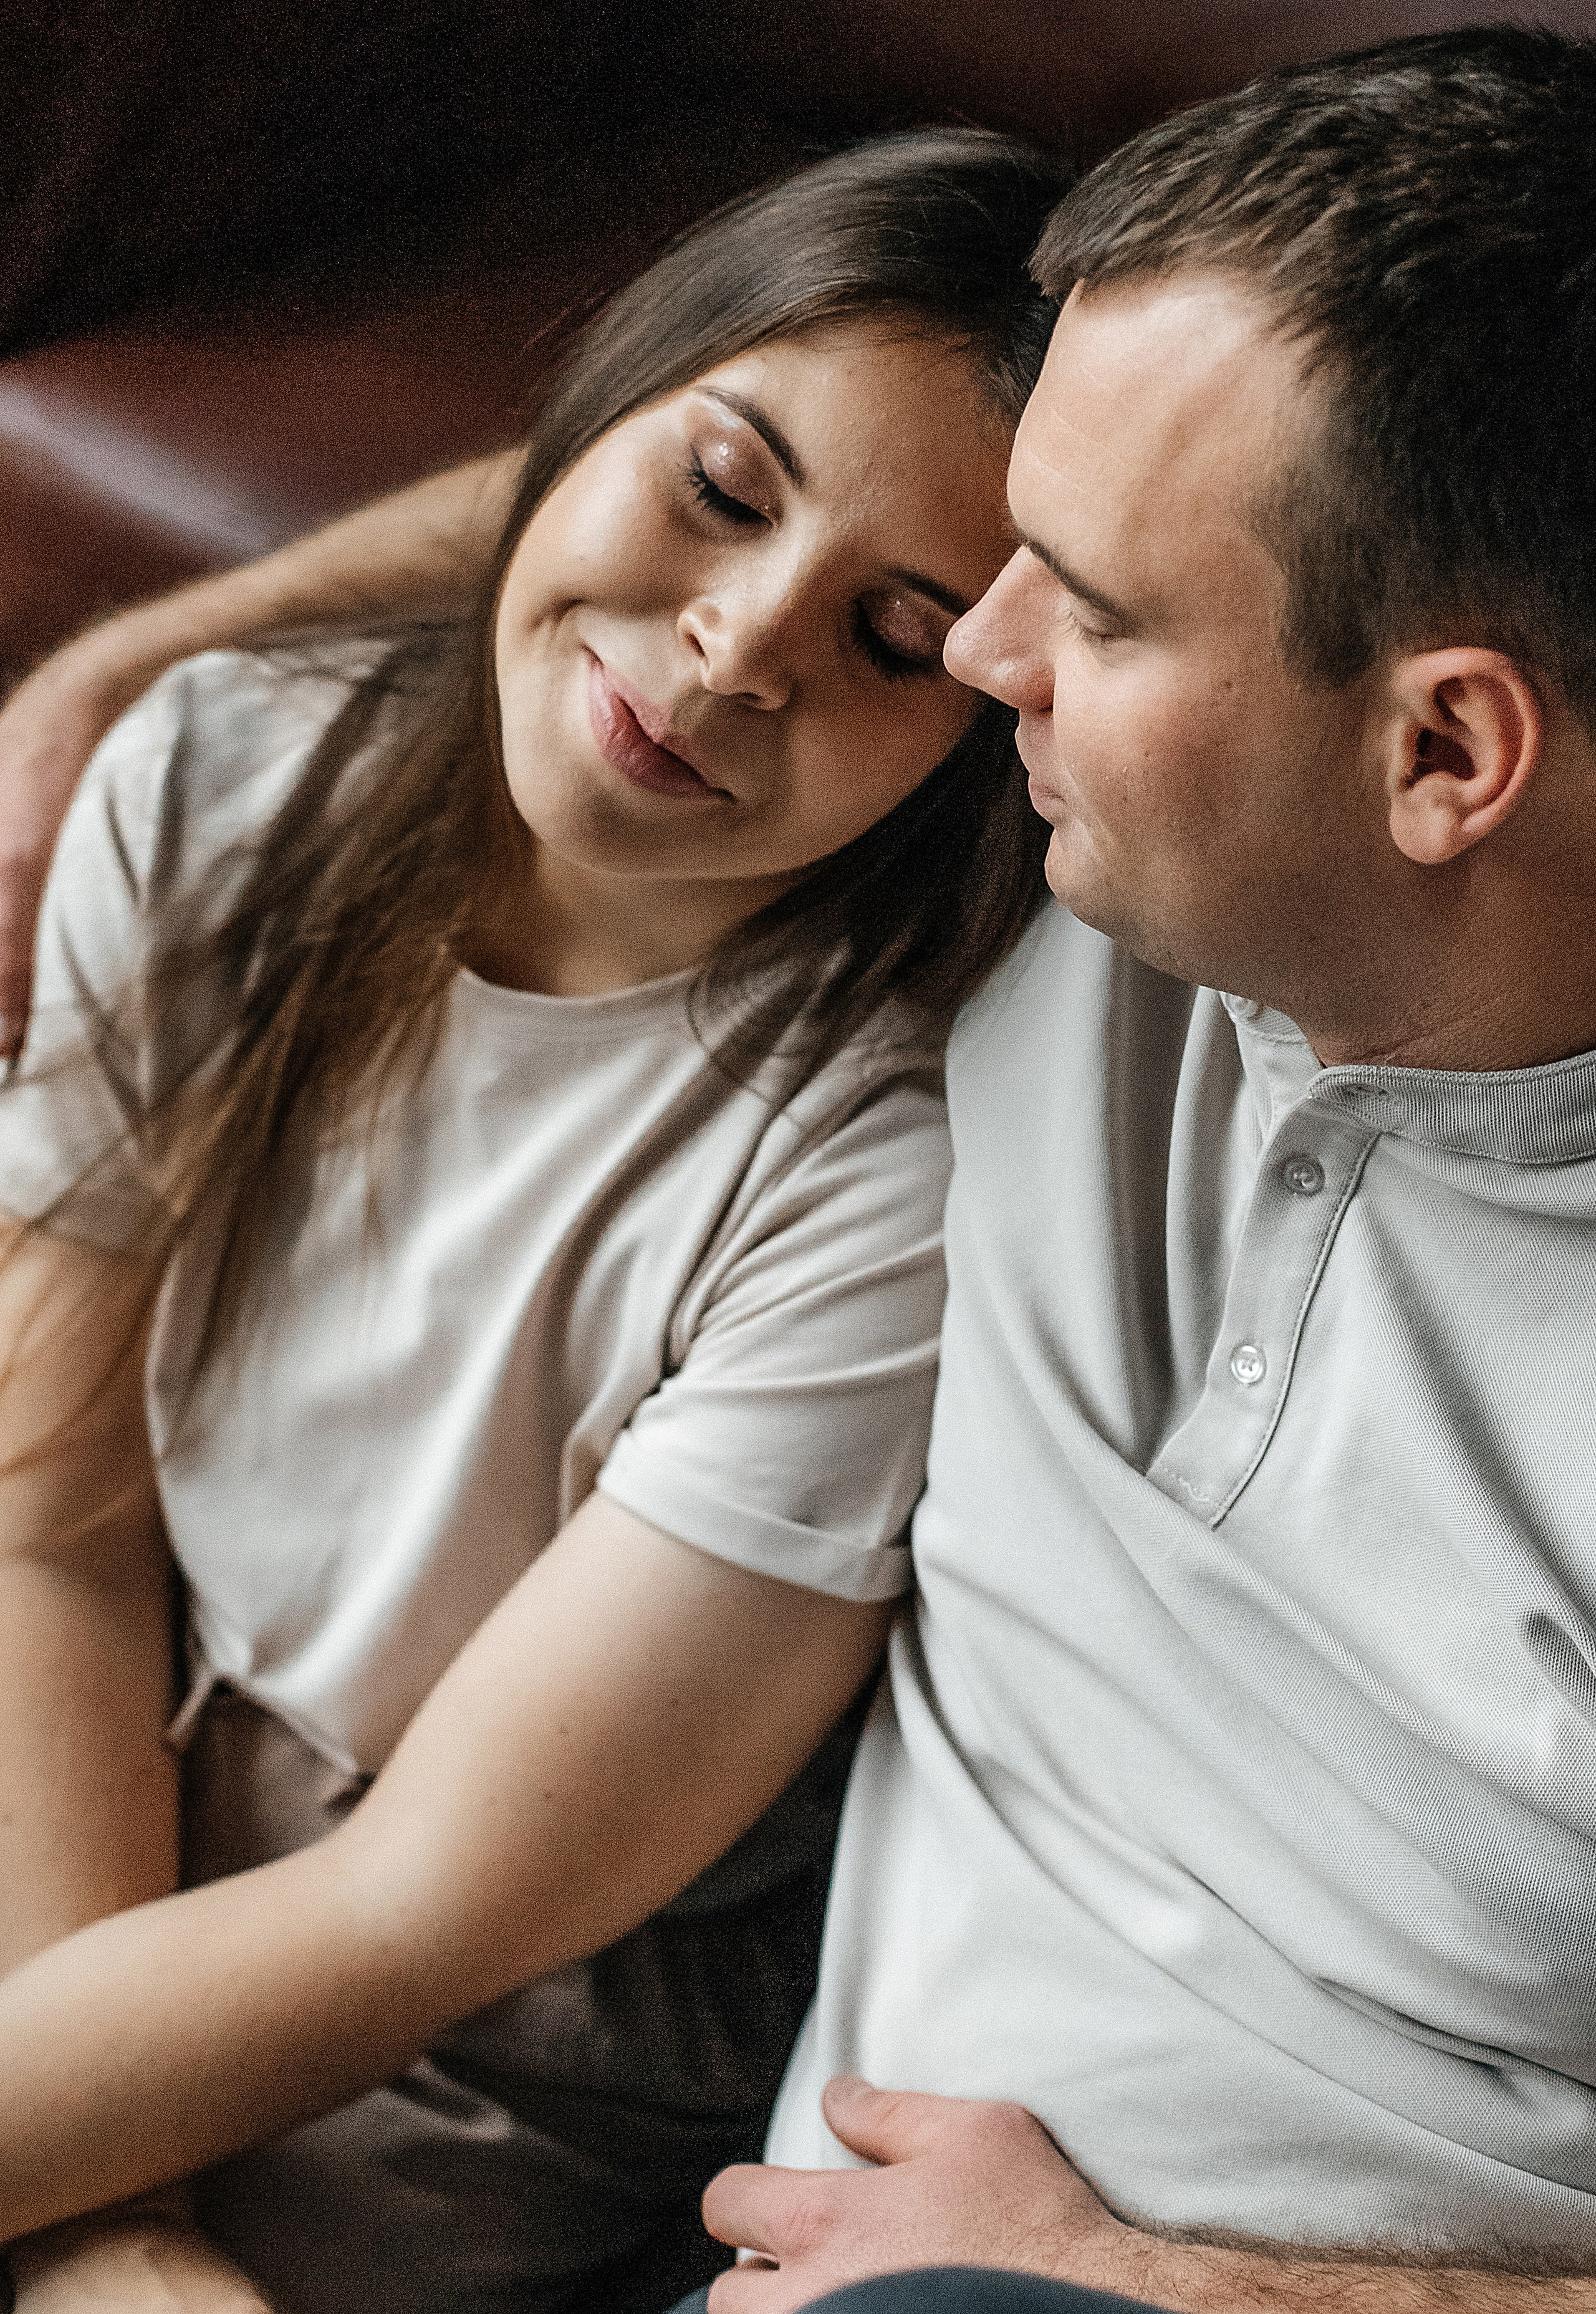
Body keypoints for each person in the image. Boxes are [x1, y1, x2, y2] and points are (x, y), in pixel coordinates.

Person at [6, 16, 1596, 2314]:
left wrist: (1191, 2288)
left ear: (1445, 747)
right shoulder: (1089, 899)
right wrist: (144, 652)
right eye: (989, 592)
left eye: (1085, 611)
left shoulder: (979, 982)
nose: (989, 661)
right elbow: (766, 461)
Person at [0, 128, 1065, 2314]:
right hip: (118, 1733)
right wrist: (98, 2223)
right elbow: (52, 1530)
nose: (736, 645)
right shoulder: (220, 768)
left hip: (503, 2006)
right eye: (724, 488)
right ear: (592, 408)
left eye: (895, 640)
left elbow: (431, 1905)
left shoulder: (881, 1165)